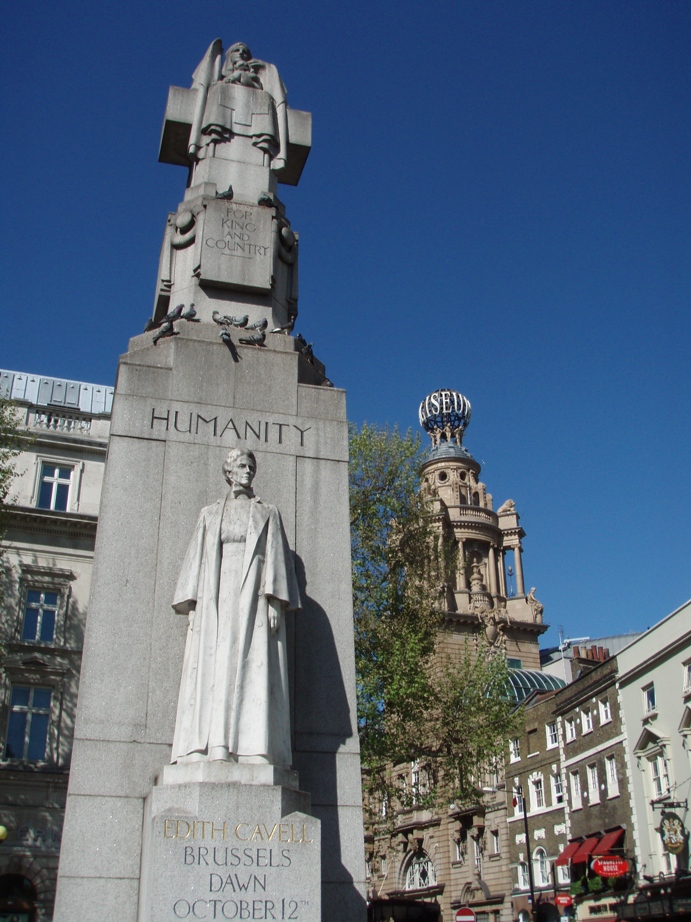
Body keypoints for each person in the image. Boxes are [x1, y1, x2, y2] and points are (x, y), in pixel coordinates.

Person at [171, 448, 301, 767]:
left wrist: (275, 601)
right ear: (229, 472)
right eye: (242, 466)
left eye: (251, 466)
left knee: (253, 666)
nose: (247, 471)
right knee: (216, 668)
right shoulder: (209, 513)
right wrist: (193, 607)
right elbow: (197, 560)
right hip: (217, 592)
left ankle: (253, 748)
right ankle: (214, 746)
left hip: (254, 594)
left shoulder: (268, 512)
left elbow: (275, 557)